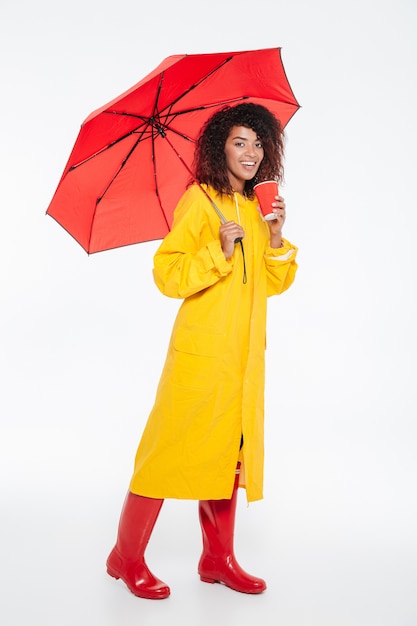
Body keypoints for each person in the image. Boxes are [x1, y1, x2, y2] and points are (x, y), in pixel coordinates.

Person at [106, 102, 298, 599]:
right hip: (200, 357)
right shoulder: (200, 200)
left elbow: (270, 285)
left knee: (228, 459)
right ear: (220, 148)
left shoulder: (258, 209)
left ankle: (217, 558)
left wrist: (274, 237)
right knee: (165, 454)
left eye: (258, 143)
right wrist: (219, 251)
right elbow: (166, 274)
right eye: (240, 142)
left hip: (243, 361)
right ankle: (126, 557)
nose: (251, 152)